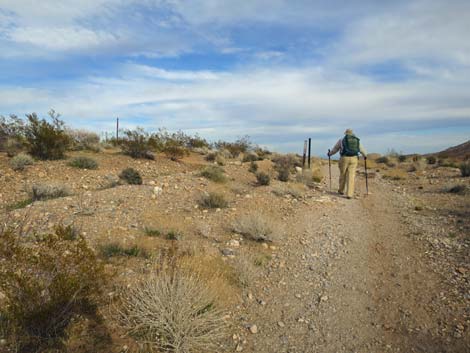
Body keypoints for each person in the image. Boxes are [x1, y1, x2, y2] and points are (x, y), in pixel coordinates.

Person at [328, 129, 367, 199]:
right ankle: (349, 194)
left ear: (346, 133)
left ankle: (341, 190)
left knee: (343, 174)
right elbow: (361, 149)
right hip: (354, 159)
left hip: (344, 158)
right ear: (352, 133)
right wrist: (365, 156)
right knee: (351, 175)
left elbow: (335, 149)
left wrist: (330, 154)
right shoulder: (356, 140)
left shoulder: (341, 140)